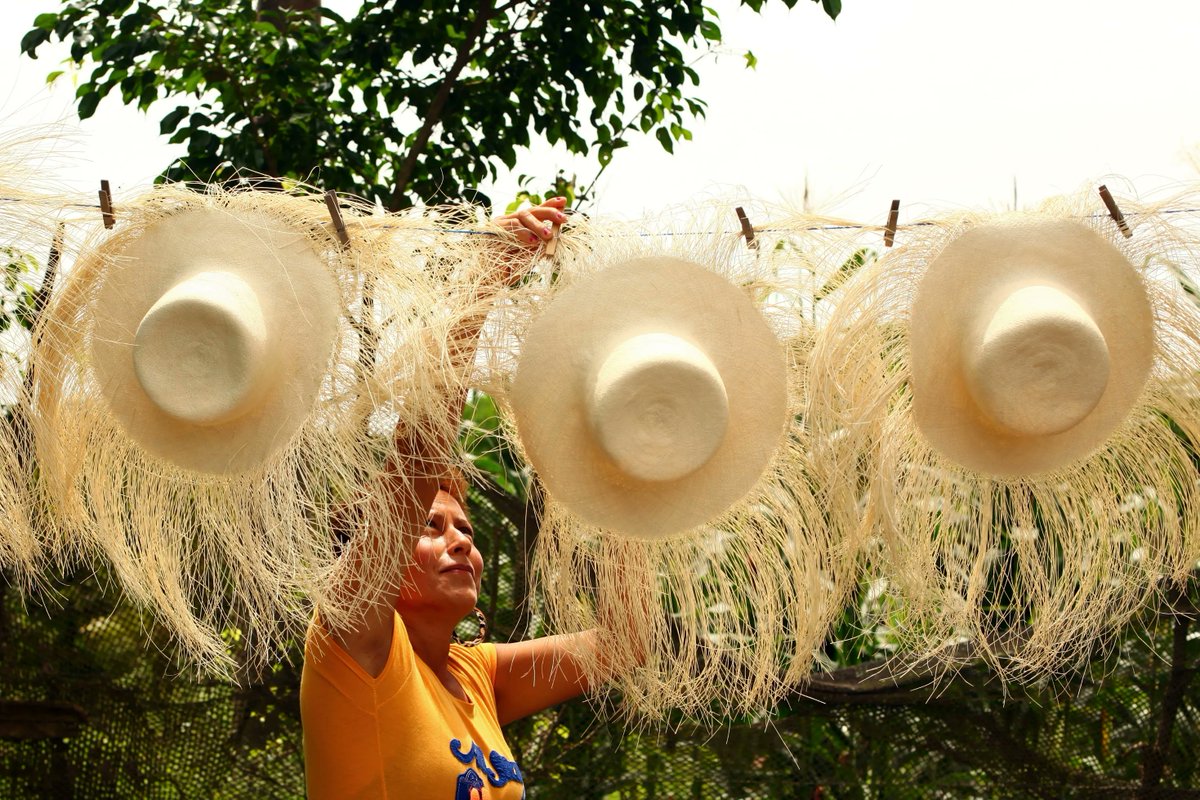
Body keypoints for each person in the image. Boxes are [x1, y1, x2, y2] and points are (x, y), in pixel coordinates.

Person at [301, 197, 599, 799]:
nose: (460, 539)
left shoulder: (477, 673)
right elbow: (415, 459)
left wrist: (618, 472)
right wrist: (483, 282)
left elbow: (627, 641)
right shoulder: (350, 639)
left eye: (462, 528)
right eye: (431, 527)